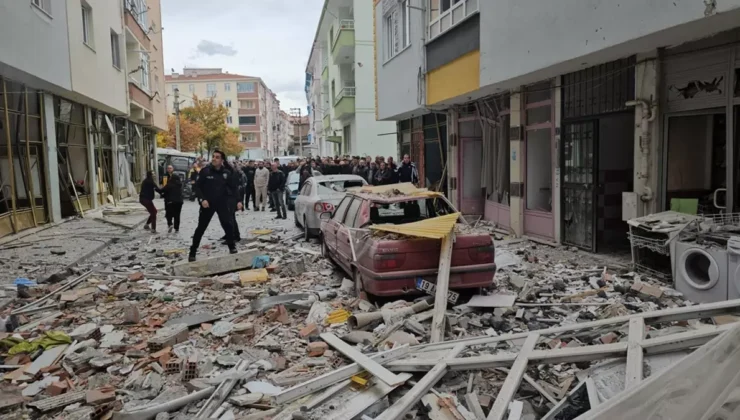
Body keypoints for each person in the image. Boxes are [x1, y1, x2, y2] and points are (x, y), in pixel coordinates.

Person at [189, 150, 242, 262]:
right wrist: (202, 199)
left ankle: (232, 247)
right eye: (213, 157)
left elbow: (234, 188)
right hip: (207, 204)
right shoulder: (205, 171)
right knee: (201, 228)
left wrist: (238, 200)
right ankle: (192, 252)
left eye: (217, 157)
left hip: (222, 203)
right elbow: (197, 187)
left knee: (228, 225)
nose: (214, 159)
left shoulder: (226, 173)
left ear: (222, 160)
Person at [161, 168, 184, 233]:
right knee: (177, 215)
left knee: (168, 214)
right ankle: (176, 228)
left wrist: (155, 188)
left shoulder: (169, 185)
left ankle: (170, 224)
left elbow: (162, 190)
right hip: (179, 202)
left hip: (170, 202)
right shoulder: (180, 185)